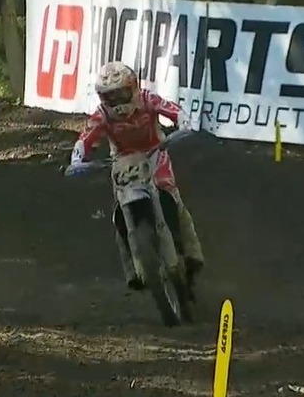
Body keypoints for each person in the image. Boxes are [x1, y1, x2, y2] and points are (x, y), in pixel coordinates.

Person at [69, 61, 204, 292]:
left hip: (155, 153)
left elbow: (173, 110)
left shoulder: (148, 99)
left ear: (133, 87)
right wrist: (77, 159)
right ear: (102, 98)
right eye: (111, 96)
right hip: (123, 161)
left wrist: (184, 123)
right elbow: (86, 137)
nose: (118, 101)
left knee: (173, 199)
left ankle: (192, 253)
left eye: (121, 93)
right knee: (120, 213)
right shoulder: (102, 115)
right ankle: (132, 269)